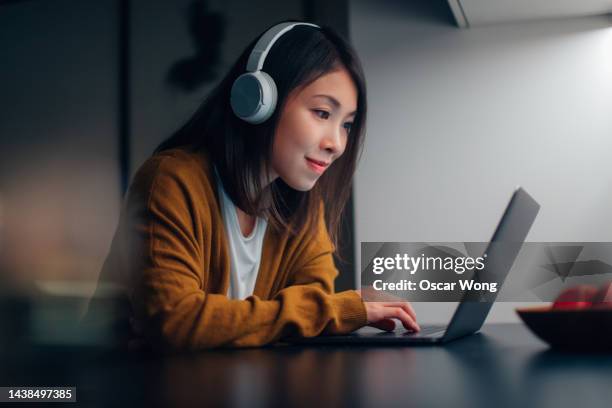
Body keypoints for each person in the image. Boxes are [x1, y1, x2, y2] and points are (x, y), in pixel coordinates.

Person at [84, 21, 419, 351]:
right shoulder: (171, 182)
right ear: (259, 100)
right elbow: (176, 320)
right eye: (321, 113)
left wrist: (232, 323)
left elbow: (311, 311)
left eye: (346, 124)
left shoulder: (303, 204)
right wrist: (330, 310)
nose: (337, 144)